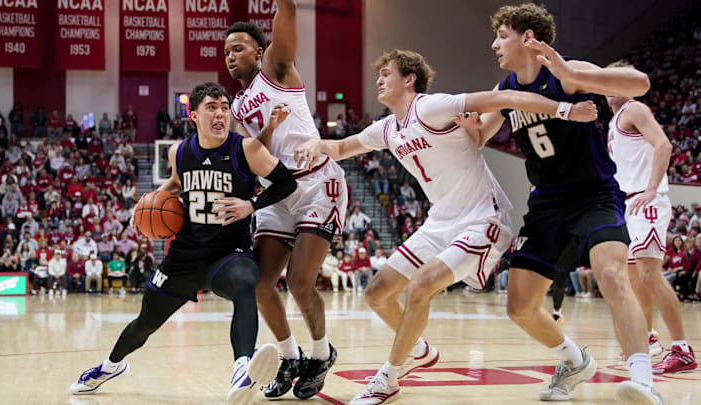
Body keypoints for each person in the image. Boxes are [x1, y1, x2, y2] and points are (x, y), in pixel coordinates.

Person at [293, 48, 596, 404]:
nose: (379, 79)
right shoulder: (388, 128)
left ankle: (388, 378)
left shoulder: (431, 106)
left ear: (409, 79)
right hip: (441, 220)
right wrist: (317, 144)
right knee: (377, 292)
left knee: (421, 284)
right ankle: (420, 350)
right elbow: (343, 147)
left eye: (387, 73)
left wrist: (566, 110)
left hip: (483, 217)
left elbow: (506, 97)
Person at [456, 4, 661, 403]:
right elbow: (481, 137)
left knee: (612, 274)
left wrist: (573, 74)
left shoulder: (565, 74)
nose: (494, 43)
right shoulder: (505, 91)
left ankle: (643, 379)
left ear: (528, 38)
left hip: (594, 197)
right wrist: (468, 129)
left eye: (502, 35)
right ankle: (574, 359)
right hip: (546, 205)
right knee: (519, 307)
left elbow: (641, 83)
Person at [69, 82, 297, 405]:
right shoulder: (180, 153)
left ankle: (242, 368)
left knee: (247, 282)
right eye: (211, 108)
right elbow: (177, 183)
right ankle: (110, 367)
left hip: (227, 254)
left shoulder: (246, 149)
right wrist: (150, 202)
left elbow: (286, 183)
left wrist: (252, 205)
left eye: (224, 107)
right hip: (185, 256)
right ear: (194, 116)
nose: (220, 113)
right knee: (145, 323)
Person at [224, 1, 349, 399]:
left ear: (259, 52)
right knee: (260, 284)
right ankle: (289, 355)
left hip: (317, 182)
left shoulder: (276, 70)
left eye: (239, 48)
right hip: (279, 189)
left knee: (298, 281)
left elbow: (289, 15)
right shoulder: (238, 105)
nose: (231, 56)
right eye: (226, 51)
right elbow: (255, 151)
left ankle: (319, 352)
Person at [606, 67, 696, 374]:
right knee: (635, 279)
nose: (609, 87)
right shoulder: (615, 120)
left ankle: (682, 349)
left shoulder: (634, 108)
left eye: (616, 81)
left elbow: (664, 144)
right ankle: (646, 341)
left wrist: (652, 189)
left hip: (646, 200)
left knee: (649, 275)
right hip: (629, 203)